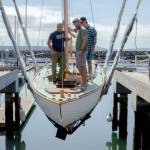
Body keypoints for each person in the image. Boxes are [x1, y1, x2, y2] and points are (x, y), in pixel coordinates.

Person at [72, 18, 88, 90]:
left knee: (81, 66)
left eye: (76, 23)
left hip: (82, 51)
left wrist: (81, 50)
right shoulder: (78, 30)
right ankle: (83, 81)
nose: (75, 24)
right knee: (79, 66)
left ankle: (84, 83)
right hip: (79, 51)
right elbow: (72, 30)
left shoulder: (83, 30)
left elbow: (85, 40)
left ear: (79, 22)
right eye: (74, 23)